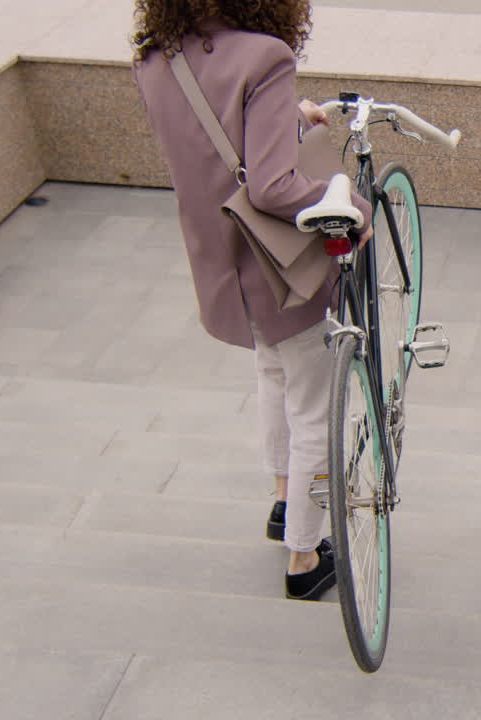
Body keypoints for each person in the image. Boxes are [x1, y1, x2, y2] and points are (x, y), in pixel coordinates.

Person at [132, 0, 373, 600]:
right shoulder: (266, 57)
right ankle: (303, 559)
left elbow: (212, 138)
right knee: (314, 403)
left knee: (271, 370)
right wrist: (353, 205)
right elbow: (272, 186)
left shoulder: (156, 60)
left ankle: (284, 500)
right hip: (279, 265)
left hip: (222, 262)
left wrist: (290, 120)